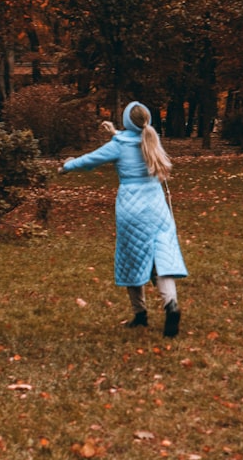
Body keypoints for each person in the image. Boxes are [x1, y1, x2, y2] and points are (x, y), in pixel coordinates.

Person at [58, 101, 187, 337]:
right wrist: (115, 132)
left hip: (132, 210)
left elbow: (91, 159)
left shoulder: (119, 145)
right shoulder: (151, 138)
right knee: (162, 258)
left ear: (127, 121)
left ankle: (140, 315)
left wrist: (67, 166)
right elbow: (133, 140)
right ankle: (171, 305)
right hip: (157, 209)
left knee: (132, 257)